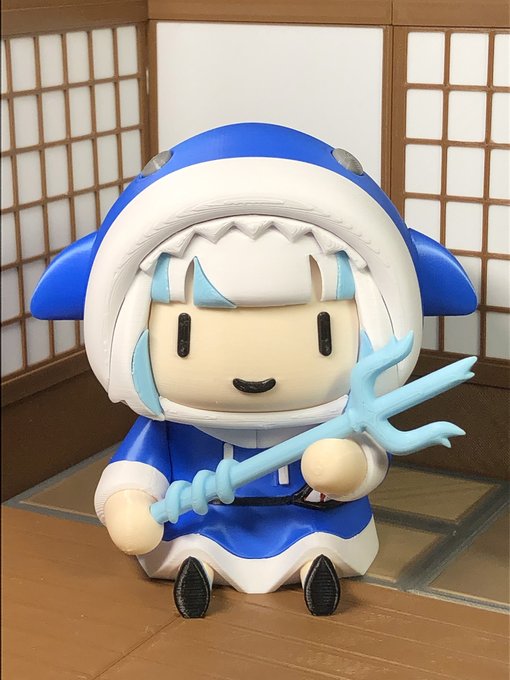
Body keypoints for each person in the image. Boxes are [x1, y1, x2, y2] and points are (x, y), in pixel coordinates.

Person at [32, 123, 476, 618]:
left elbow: (368, 460)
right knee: (192, 544)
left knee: (319, 542)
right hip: (200, 522)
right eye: (185, 335)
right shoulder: (174, 427)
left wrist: (346, 467)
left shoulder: (335, 418)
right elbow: (136, 471)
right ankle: (197, 567)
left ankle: (316, 565)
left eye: (323, 333)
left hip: (313, 518)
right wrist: (130, 505)